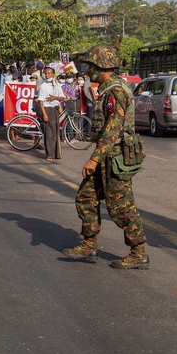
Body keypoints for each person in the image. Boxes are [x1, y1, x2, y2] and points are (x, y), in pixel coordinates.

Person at [62, 45, 149, 269]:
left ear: (100, 66)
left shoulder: (115, 91)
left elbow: (113, 129)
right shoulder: (107, 88)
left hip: (116, 157)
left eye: (90, 66)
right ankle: (89, 245)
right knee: (86, 197)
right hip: (106, 154)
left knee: (121, 207)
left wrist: (94, 159)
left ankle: (138, 252)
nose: (87, 70)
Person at [36, 66, 65, 161]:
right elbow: (40, 101)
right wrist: (44, 114)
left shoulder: (57, 85)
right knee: (48, 133)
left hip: (54, 110)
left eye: (49, 73)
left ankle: (55, 153)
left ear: (53, 74)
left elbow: (62, 98)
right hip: (47, 109)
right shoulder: (43, 86)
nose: (47, 75)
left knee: (55, 133)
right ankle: (49, 154)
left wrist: (55, 98)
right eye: (46, 73)